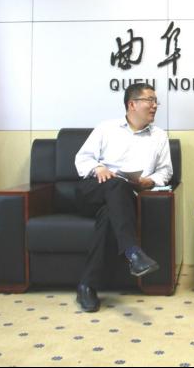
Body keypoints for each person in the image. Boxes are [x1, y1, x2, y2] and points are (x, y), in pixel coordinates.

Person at [73, 83, 172, 312]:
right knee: (117, 184)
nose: (155, 105)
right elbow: (82, 158)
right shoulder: (106, 128)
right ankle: (133, 252)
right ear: (132, 104)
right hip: (94, 189)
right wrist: (98, 168)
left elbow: (165, 171)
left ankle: (86, 286)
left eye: (155, 101)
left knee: (110, 213)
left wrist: (149, 181)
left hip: (124, 199)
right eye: (149, 100)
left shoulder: (159, 136)